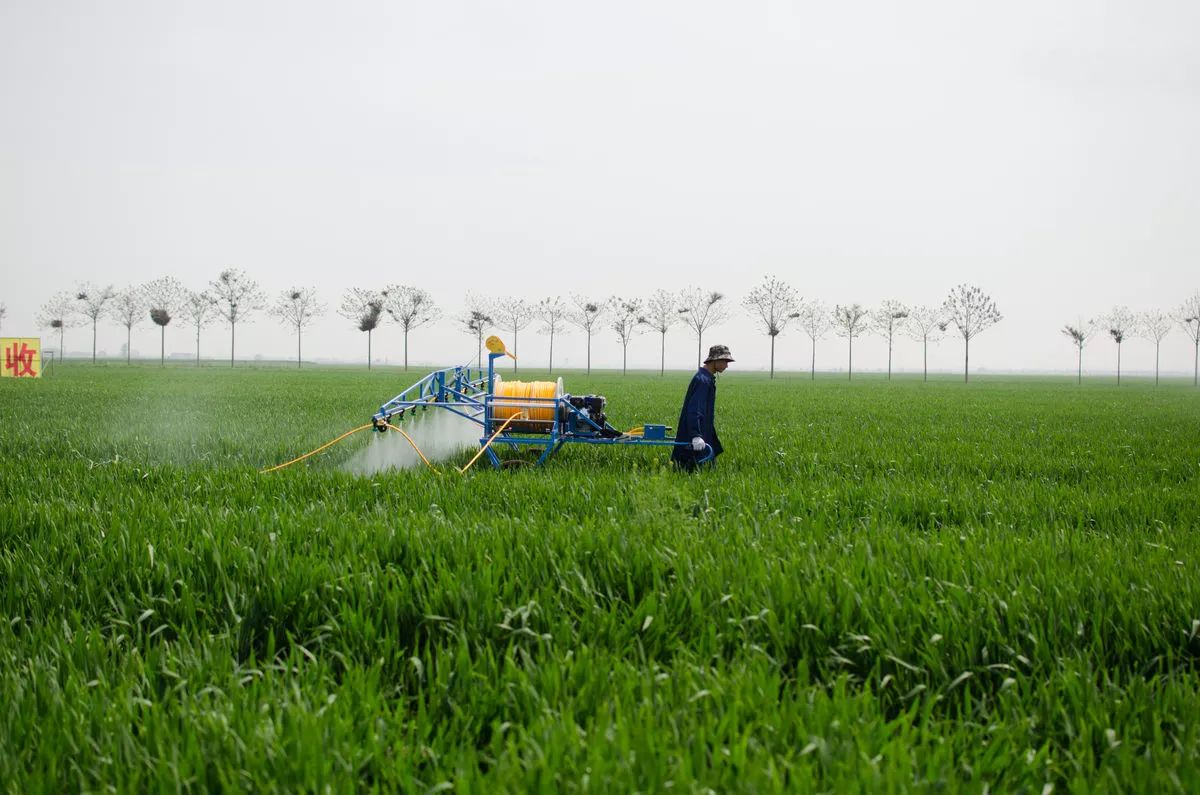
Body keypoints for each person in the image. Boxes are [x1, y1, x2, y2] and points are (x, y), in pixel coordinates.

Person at [672, 344, 733, 470]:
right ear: (714, 360)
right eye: (725, 361)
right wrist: (695, 435)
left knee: (705, 470)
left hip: (704, 430)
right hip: (694, 436)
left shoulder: (707, 378)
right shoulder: (702, 380)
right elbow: (694, 410)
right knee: (688, 470)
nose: (727, 365)